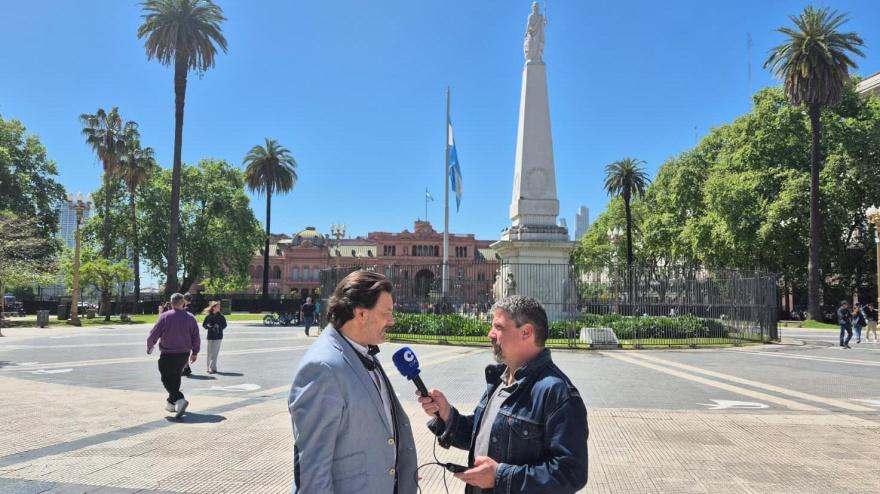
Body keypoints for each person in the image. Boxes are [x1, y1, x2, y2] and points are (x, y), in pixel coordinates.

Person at [417, 295, 588, 494]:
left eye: (498, 327)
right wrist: (447, 415)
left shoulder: (557, 393)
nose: (490, 334)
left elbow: (571, 473)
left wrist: (499, 476)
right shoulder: (501, 379)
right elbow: (483, 436)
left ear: (526, 332)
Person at [288, 270, 417, 493]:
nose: (392, 320)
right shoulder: (323, 368)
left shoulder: (360, 350)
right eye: (386, 313)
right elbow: (313, 471)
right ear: (361, 314)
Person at [147, 293, 200, 418]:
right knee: (175, 377)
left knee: (166, 378)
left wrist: (150, 345)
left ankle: (179, 399)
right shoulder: (190, 317)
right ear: (183, 303)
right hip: (184, 354)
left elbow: (154, 333)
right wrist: (195, 352)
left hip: (168, 353)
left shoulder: (165, 316)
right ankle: (171, 403)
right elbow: (196, 336)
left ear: (171, 303)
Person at [202, 301, 227, 374]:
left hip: (218, 336)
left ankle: (213, 368)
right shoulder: (208, 316)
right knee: (209, 352)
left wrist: (219, 326)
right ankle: (208, 367)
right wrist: (208, 326)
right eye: (217, 307)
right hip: (210, 336)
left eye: (219, 307)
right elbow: (204, 325)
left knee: (215, 353)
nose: (219, 308)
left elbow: (224, 325)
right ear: (213, 307)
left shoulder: (221, 316)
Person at [181, 293, 195, 377]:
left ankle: (186, 368)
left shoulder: (185, 309)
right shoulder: (192, 308)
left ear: (184, 299)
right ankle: (186, 368)